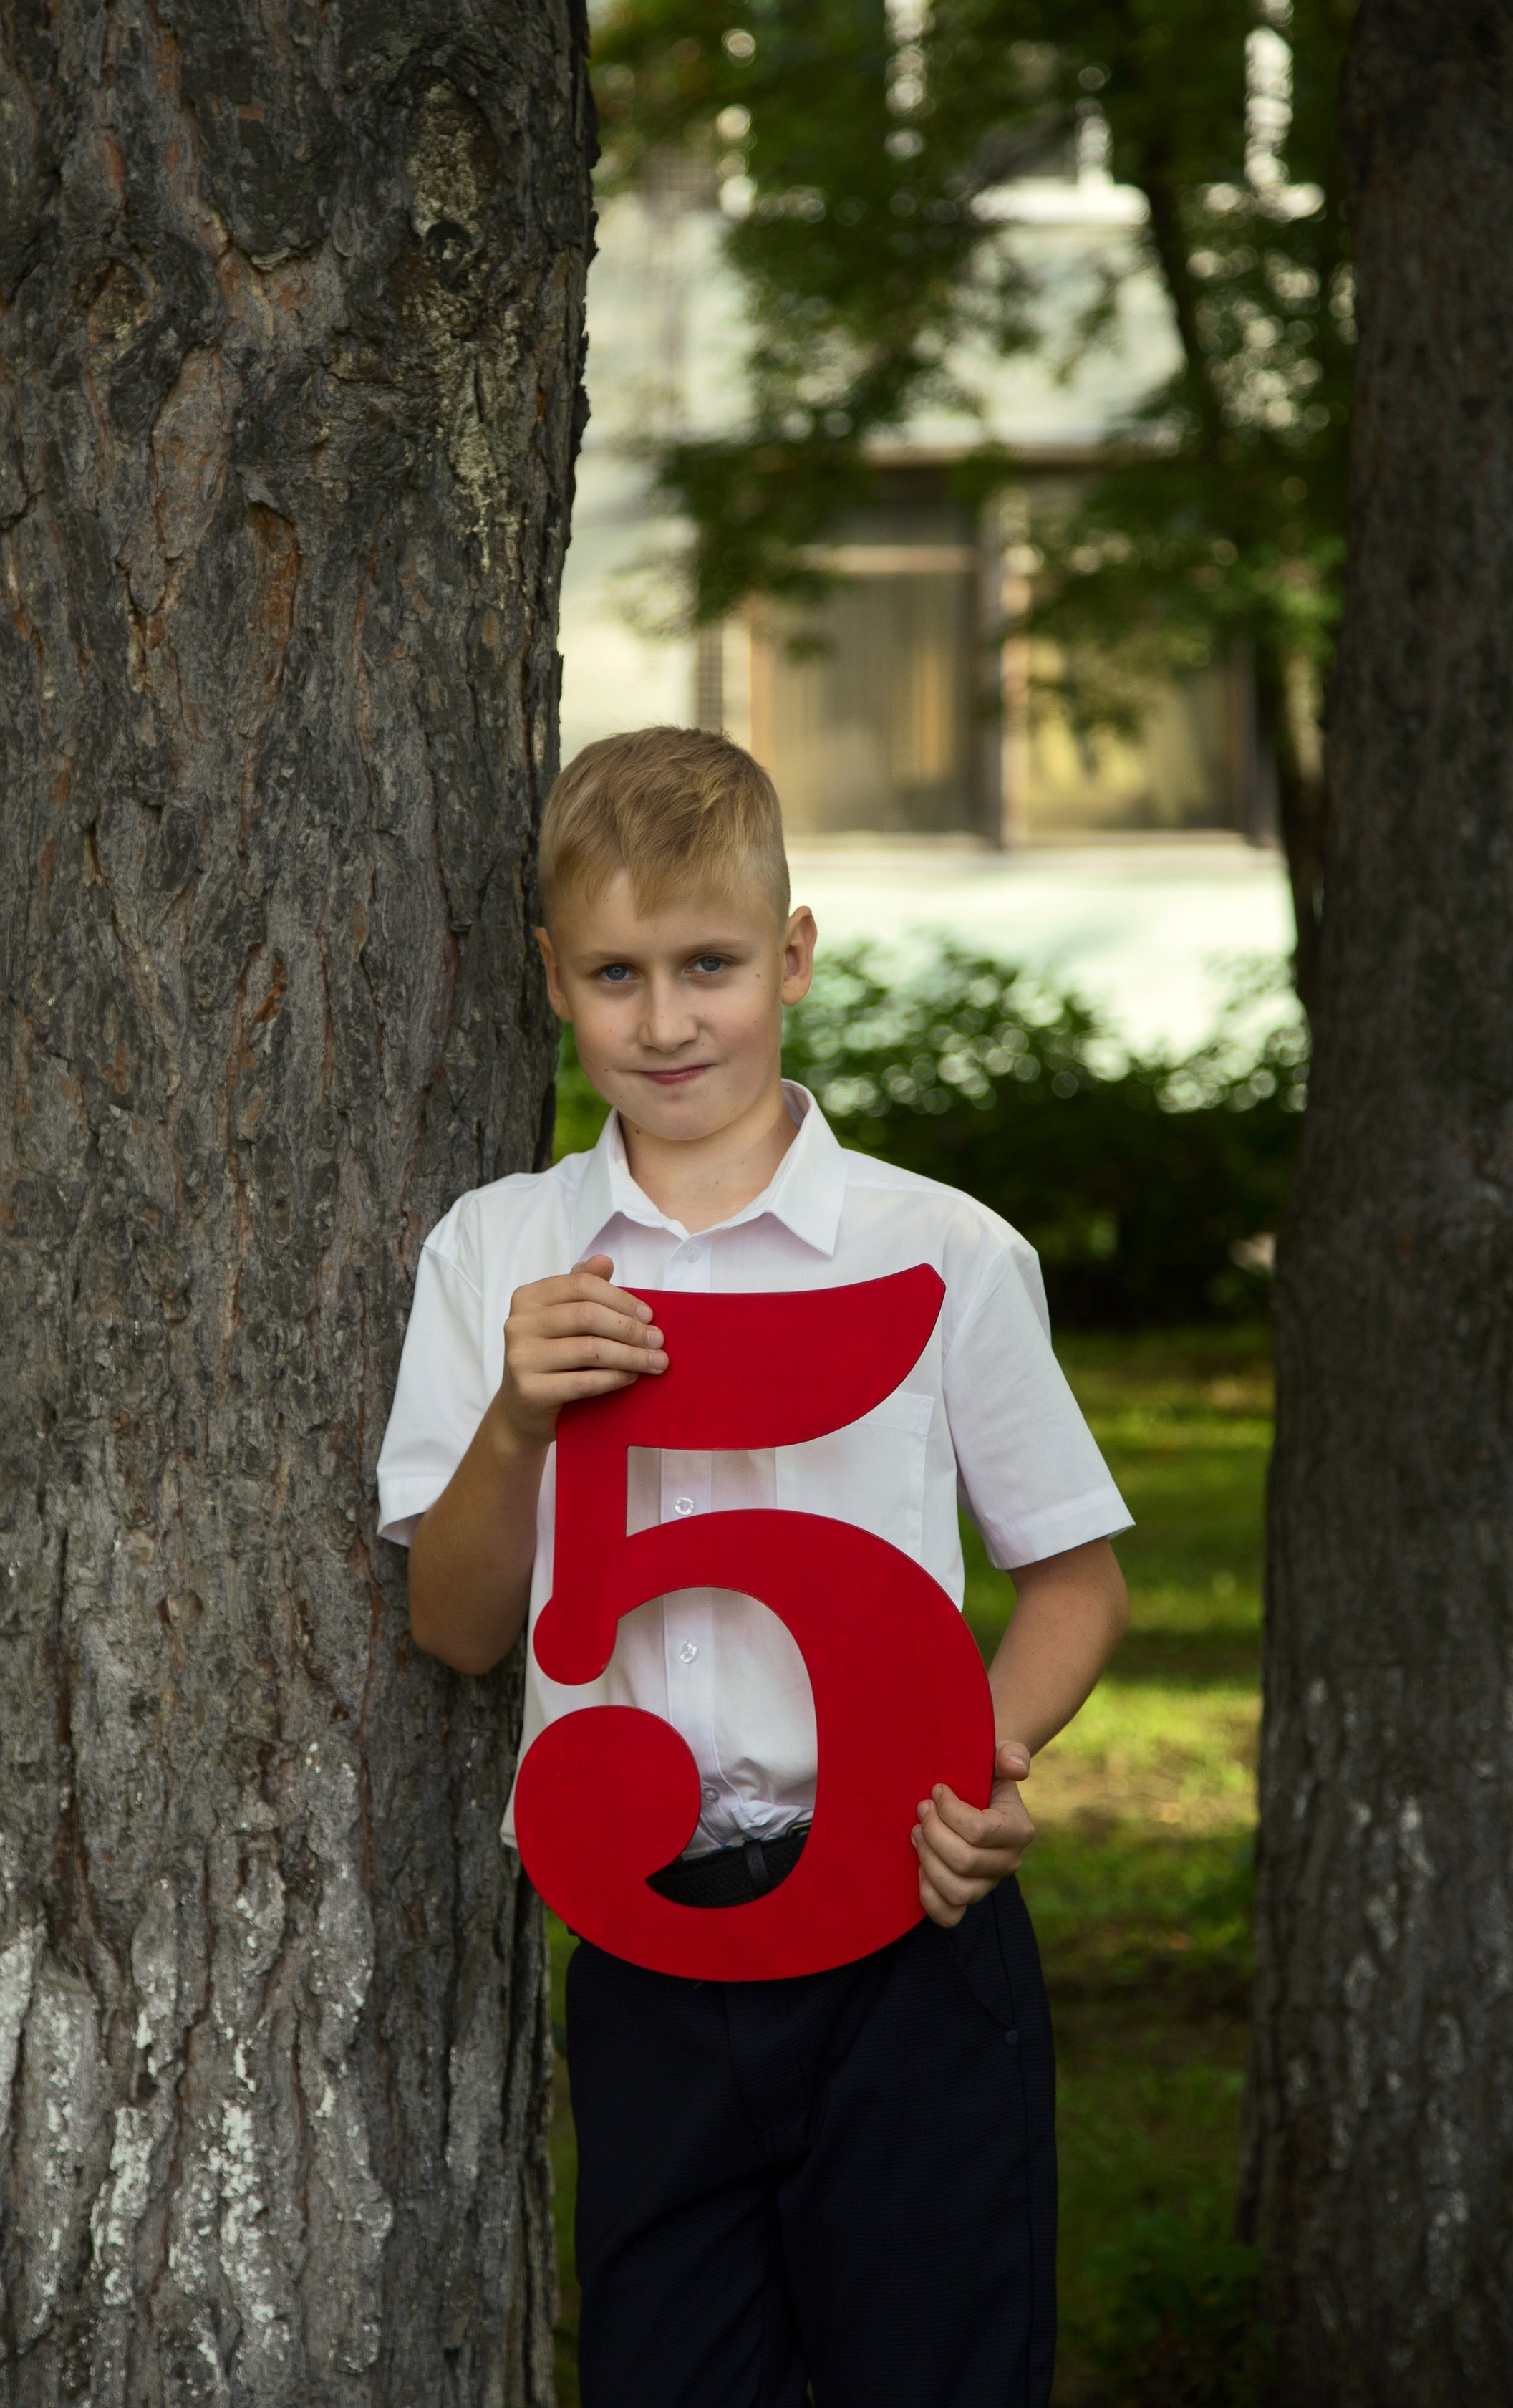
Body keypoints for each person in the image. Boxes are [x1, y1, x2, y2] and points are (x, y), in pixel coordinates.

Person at [377, 724, 1133, 2408]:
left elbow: (1074, 1580)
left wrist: (978, 1765)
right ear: (551, 979)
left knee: (929, 2365)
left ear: (790, 956)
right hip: (649, 1949)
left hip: (905, 1940)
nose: (664, 1021)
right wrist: (514, 1421)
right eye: (615, 974)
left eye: (707, 964)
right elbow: (455, 1628)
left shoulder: (939, 1250)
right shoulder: (496, 1250)